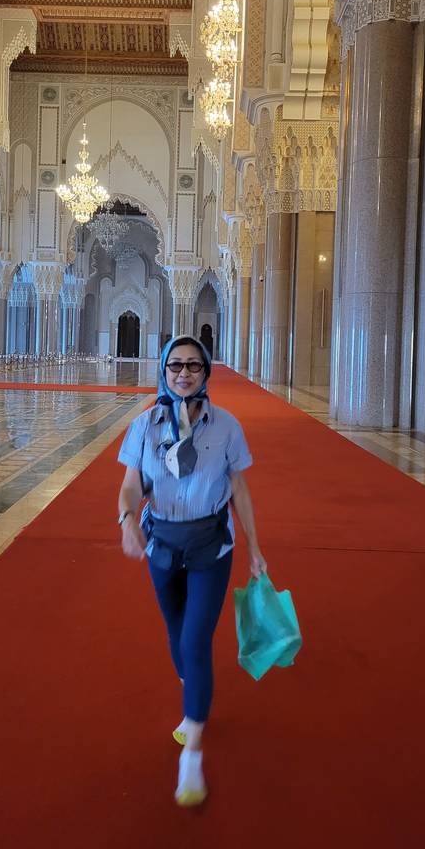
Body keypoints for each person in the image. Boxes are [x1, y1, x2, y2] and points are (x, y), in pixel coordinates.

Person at [117, 335, 266, 807]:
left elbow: (239, 489)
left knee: (196, 640)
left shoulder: (227, 427)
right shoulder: (143, 426)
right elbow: (131, 485)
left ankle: (193, 752)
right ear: (164, 371)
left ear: (206, 372)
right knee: (176, 632)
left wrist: (254, 547)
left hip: (210, 545)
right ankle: (193, 691)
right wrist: (126, 520)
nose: (184, 373)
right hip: (161, 542)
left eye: (194, 365)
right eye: (175, 365)